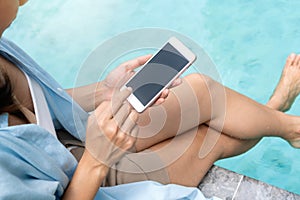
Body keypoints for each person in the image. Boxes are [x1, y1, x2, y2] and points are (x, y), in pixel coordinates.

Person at [1, 0, 300, 199]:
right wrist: (96, 160)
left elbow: (33, 105)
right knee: (207, 138)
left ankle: (287, 126)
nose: (25, 1)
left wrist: (103, 91)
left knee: (201, 91)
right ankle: (276, 108)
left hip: (73, 138)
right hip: (88, 183)